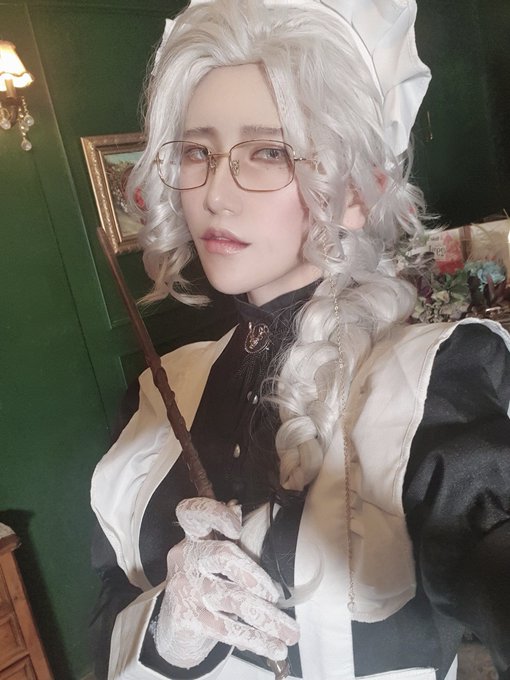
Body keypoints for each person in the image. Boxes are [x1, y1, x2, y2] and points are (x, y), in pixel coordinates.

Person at [90, 1, 510, 679]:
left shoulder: (431, 378)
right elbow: (110, 601)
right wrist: (170, 631)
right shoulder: (160, 392)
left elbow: (484, 531)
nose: (215, 195)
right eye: (197, 151)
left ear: (356, 192)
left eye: (267, 152)